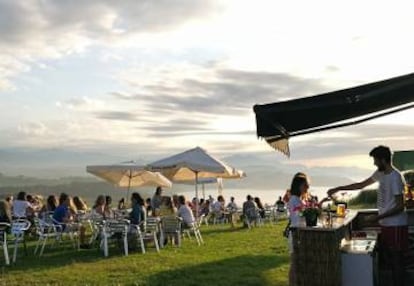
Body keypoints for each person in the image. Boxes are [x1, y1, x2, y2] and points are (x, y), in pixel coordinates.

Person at [327, 145, 407, 286]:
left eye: (375, 160)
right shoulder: (380, 173)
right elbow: (361, 185)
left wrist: (377, 217)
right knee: (390, 259)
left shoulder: (395, 177)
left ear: (383, 160)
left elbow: (400, 206)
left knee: (397, 261)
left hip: (396, 225)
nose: (374, 163)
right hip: (386, 224)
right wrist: (338, 188)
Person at [287, 173, 309, 286]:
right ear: (298, 186)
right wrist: (305, 209)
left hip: (301, 234)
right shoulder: (294, 200)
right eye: (305, 185)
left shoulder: (300, 199)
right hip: (296, 235)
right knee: (294, 264)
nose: (307, 188)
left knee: (298, 264)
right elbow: (297, 217)